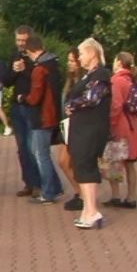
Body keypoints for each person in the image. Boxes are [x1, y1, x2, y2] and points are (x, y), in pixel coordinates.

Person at [65, 37, 112, 229]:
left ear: (92, 53)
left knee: (86, 165)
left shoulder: (100, 74)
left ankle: (92, 210)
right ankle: (88, 209)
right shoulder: (88, 75)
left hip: (91, 128)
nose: (80, 57)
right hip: (81, 127)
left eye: (82, 53)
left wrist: (72, 104)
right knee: (81, 166)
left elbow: (92, 98)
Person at [18, 35, 65, 205]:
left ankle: (48, 192)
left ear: (31, 50)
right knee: (40, 152)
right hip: (52, 115)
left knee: (41, 155)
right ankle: (54, 187)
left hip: (42, 117)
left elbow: (35, 97)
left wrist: (23, 98)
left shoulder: (40, 69)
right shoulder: (54, 65)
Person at [2, 25, 42, 198]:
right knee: (21, 147)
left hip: (32, 106)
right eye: (18, 40)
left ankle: (39, 183)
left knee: (33, 147)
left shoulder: (37, 58)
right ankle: (28, 182)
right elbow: (6, 81)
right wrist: (14, 71)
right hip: (17, 106)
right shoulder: (15, 56)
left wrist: (25, 70)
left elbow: (38, 81)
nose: (20, 44)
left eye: (23, 41)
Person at [105, 52, 137, 209]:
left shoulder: (116, 81)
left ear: (119, 62)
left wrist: (109, 124)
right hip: (133, 125)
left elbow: (115, 106)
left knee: (113, 162)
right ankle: (131, 197)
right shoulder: (132, 81)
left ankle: (115, 195)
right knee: (130, 163)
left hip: (120, 126)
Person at [58, 48, 86, 211]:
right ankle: (79, 192)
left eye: (72, 61)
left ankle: (83, 194)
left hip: (77, 126)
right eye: (68, 60)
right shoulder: (69, 81)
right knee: (63, 161)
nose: (69, 64)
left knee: (71, 161)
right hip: (66, 125)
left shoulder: (83, 81)